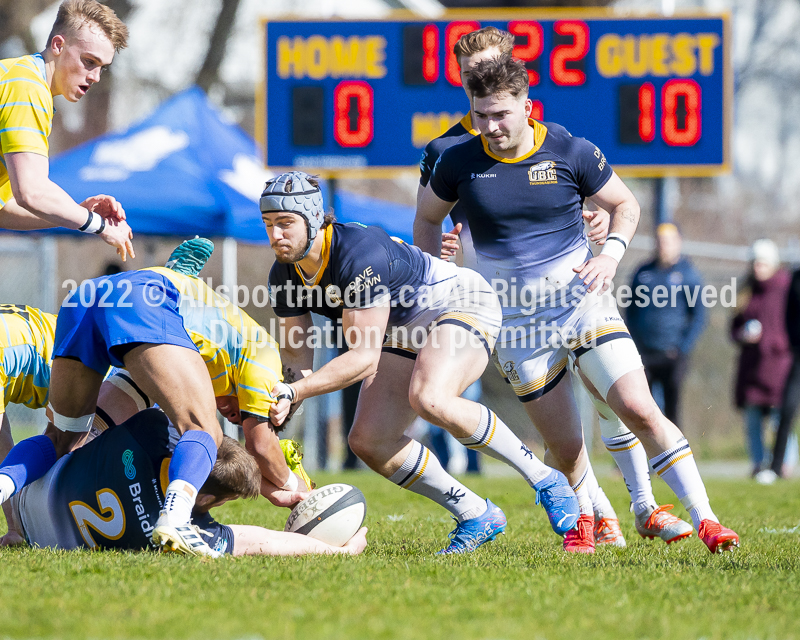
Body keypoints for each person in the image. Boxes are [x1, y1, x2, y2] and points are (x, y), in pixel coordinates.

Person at [415, 55, 738, 554]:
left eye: (501, 113)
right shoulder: (457, 161)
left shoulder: (567, 148)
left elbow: (625, 205)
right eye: (481, 115)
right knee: (565, 449)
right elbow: (426, 219)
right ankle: (590, 519)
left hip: (580, 303)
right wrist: (440, 266)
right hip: (517, 323)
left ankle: (706, 519)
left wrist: (610, 254)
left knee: (636, 407)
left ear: (527, 103)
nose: (491, 126)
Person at [262, 170, 579, 555]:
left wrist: (295, 389)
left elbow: (363, 359)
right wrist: (284, 407)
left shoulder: (357, 253)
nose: (276, 235)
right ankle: (475, 513)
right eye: (268, 224)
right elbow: (297, 354)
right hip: (404, 331)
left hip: (461, 302)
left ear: (314, 219)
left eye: (285, 223)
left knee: (431, 397)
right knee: (368, 440)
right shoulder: (282, 276)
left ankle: (545, 479)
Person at [0, 241, 306, 557]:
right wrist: (295, 488)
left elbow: (113, 405)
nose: (233, 415)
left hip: (86, 298)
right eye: (242, 412)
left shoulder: (189, 351)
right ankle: (175, 519)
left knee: (62, 438)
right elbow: (261, 445)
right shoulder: (266, 359)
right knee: (204, 431)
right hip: (140, 300)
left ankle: (3, 485)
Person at [8, 408, 367, 556]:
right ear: (208, 499)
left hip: (23, 497)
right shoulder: (189, 529)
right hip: (40, 538)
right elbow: (259, 541)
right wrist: (338, 551)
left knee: (124, 395)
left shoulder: (150, 430)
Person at [0, 0, 134, 261]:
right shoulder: (27, 87)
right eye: (89, 61)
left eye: (101, 67)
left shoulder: (21, 78)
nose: (95, 76)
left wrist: (75, 211)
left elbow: (4, 207)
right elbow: (32, 192)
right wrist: (100, 226)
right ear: (58, 45)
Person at [627, 223, 706, 428]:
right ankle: (640, 459)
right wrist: (636, 344)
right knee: (640, 408)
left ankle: (674, 459)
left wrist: (681, 348)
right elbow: (631, 311)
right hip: (645, 354)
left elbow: (698, 316)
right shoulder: (643, 272)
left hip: (673, 355)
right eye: (660, 241)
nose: (664, 246)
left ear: (678, 243)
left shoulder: (688, 274)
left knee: (672, 411)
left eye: (669, 241)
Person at [730, 239, 793, 480]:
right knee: (753, 418)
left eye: (763, 263)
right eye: (755, 263)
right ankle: (758, 464)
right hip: (751, 366)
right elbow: (733, 327)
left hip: (780, 364)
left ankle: (784, 464)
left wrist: (777, 342)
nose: (758, 267)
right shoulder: (746, 291)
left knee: (780, 417)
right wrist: (742, 335)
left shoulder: (786, 287)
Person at [769, 265, 800, 479]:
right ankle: (776, 467)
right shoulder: (796, 277)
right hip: (797, 355)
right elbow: (787, 315)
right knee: (787, 409)